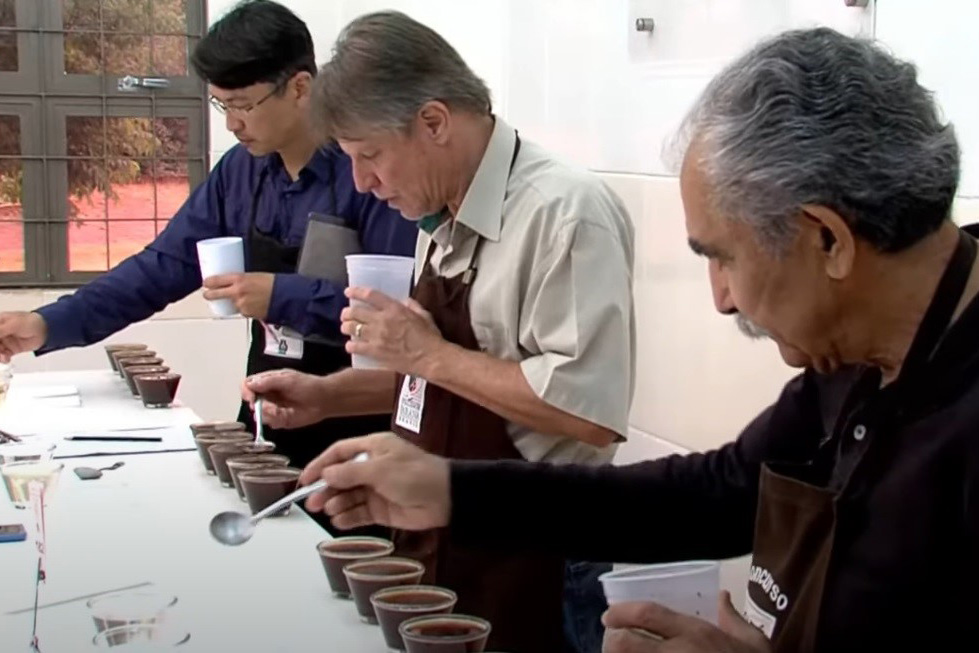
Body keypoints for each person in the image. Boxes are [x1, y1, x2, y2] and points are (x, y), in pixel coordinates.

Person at [295, 28, 979, 653]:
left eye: (723, 258)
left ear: (826, 238)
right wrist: (446, 488)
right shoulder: (851, 368)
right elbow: (710, 493)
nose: (719, 299)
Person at [243, 11, 635, 653]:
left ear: (433, 122)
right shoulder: (442, 213)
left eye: (370, 157)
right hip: (448, 527)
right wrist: (327, 397)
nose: (365, 184)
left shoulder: (562, 212)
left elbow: (587, 410)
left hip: (541, 552)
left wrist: (428, 351)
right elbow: (445, 383)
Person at [0, 1, 416, 493]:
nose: (232, 124)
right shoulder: (240, 172)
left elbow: (393, 310)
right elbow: (163, 265)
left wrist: (282, 296)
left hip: (360, 418)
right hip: (268, 404)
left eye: (243, 104)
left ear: (301, 87)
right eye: (223, 105)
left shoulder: (366, 173)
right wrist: (48, 324)